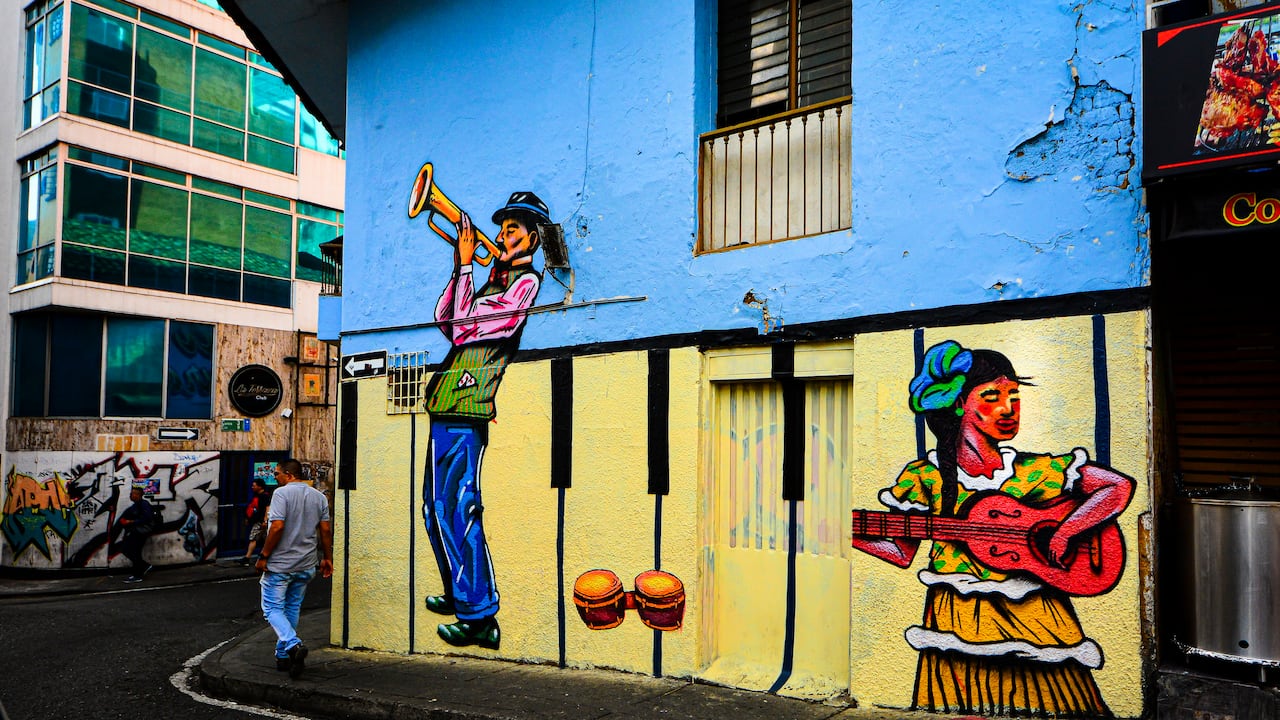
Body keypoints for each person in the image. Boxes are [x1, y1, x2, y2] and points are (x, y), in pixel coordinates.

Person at [851, 340, 1134, 717]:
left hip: (1036, 611)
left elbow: (1117, 487)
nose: (1007, 409)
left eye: (1014, 397)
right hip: (957, 616)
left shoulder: (1037, 471)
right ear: (958, 405)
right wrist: (849, 532)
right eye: (991, 396)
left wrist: (1066, 530)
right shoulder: (925, 477)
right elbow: (902, 554)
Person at [420, 191, 549, 650]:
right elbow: (444, 316)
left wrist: (466, 265)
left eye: (513, 229)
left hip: (469, 406)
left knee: (459, 509)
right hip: (446, 405)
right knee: (435, 512)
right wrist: (464, 267)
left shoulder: (524, 284)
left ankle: (480, 616)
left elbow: (464, 329)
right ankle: (460, 593)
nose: (501, 235)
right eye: (502, 228)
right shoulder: (493, 280)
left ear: (532, 237)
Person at [255, 459, 332, 679]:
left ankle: (293, 644)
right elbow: (325, 531)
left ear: (288, 475)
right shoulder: (319, 497)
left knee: (271, 609)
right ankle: (283, 656)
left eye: (277, 474)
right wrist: (327, 558)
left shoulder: (281, 494)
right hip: (306, 563)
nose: (275, 478)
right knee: (292, 608)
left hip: (280, 564)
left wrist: (263, 556)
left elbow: (277, 526)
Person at [117, 486, 156, 583]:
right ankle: (143, 567)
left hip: (142, 531)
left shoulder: (144, 504)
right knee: (128, 550)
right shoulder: (134, 506)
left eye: (134, 494)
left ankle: (138, 574)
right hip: (136, 531)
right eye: (131, 493)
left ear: (139, 495)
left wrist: (130, 521)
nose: (132, 495)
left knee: (134, 551)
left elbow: (147, 518)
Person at [239, 479, 270, 565]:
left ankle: (247, 558)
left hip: (260, 522)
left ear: (260, 486)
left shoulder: (264, 496)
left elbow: (267, 508)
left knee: (253, 538)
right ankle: (266, 557)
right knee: (266, 539)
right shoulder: (258, 495)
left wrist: (265, 520)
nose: (252, 487)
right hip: (260, 521)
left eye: (254, 485)